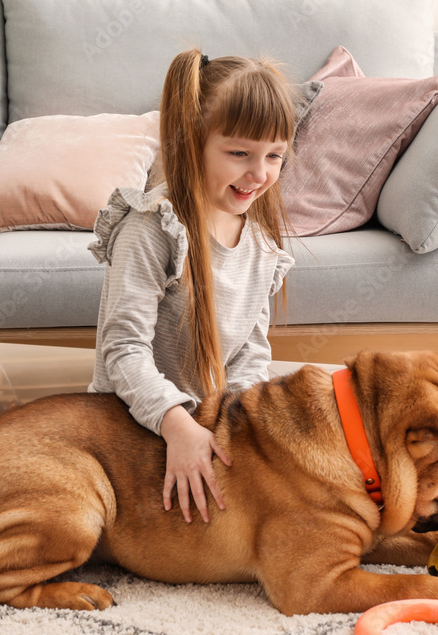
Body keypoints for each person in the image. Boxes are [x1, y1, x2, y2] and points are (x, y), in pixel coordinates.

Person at [88, 49, 296, 524]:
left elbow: (250, 354)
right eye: (239, 153)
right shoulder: (152, 227)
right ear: (191, 143)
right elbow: (122, 349)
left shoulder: (261, 245)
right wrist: (178, 426)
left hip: (207, 423)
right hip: (133, 427)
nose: (259, 173)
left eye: (274, 156)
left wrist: (241, 426)